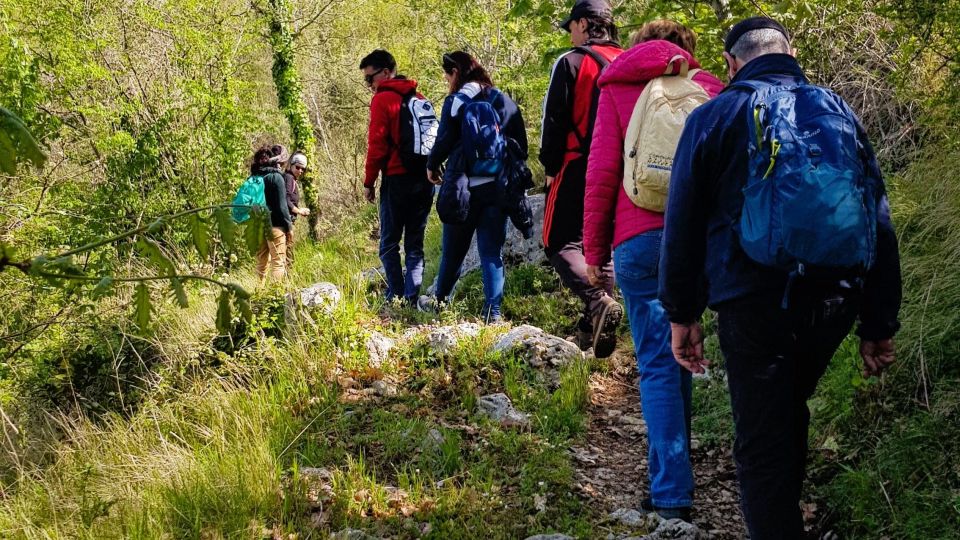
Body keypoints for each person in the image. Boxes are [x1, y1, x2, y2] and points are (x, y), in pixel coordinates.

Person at [659, 17, 902, 539]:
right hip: (834, 299)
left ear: (730, 63)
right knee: (786, 411)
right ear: (790, 53)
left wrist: (682, 313)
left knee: (763, 441)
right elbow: (877, 217)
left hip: (752, 302)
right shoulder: (839, 112)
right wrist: (879, 322)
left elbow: (682, 223)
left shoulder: (716, 115)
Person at [583, 20, 725, 522]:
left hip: (638, 239)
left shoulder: (617, 87)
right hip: (699, 241)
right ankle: (678, 482)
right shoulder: (709, 88)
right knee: (685, 346)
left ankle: (670, 492)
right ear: (687, 52)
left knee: (659, 364)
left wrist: (595, 251)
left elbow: (601, 172)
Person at [540, 0, 624, 357]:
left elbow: (554, 121)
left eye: (571, 25)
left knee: (559, 242)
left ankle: (596, 300)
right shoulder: (629, 60)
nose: (570, 32)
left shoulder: (572, 62)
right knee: (599, 244)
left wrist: (549, 167)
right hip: (621, 168)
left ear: (586, 24)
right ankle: (595, 321)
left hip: (577, 164)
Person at [418, 51, 527, 323]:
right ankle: (494, 313)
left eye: (447, 74)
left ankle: (440, 303)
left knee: (453, 252)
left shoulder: (455, 103)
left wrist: (432, 166)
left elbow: (442, 140)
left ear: (455, 72)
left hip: (462, 190)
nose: (446, 80)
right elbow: (521, 146)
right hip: (496, 190)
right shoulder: (502, 100)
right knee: (491, 252)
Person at [360, 49, 435, 305]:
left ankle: (396, 296)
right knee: (415, 244)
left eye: (370, 79)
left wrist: (369, 182)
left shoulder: (383, 100)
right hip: (424, 180)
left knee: (389, 243)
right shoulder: (420, 98)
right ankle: (412, 299)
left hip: (396, 179)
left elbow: (377, 145)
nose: (369, 85)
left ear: (385, 72)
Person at [255, 144, 292, 281]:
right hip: (275, 226)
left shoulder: (255, 177)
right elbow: (282, 207)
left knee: (261, 263)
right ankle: (274, 296)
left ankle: (259, 294)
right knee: (278, 263)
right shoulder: (276, 177)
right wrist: (289, 227)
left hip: (258, 227)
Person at [282, 152, 311, 266]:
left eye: (302, 169)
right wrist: (299, 211)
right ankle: (287, 279)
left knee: (287, 250)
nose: (300, 171)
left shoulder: (291, 179)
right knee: (288, 252)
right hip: (286, 220)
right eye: (297, 167)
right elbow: (286, 199)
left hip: (288, 219)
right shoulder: (289, 178)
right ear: (291, 165)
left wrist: (299, 209)